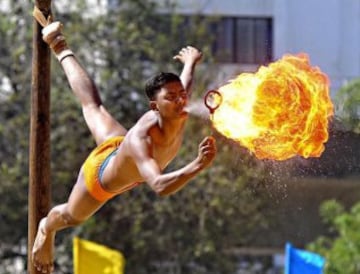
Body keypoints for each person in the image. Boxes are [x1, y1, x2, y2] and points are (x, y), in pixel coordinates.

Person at [31, 12, 217, 274]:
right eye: (171, 97)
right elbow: (159, 185)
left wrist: (190, 61)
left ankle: (58, 44)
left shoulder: (180, 108)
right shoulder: (142, 139)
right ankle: (46, 229)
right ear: (155, 106)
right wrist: (197, 164)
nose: (180, 100)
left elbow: (184, 83)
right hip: (101, 178)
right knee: (72, 217)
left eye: (181, 96)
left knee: (93, 105)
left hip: (117, 146)